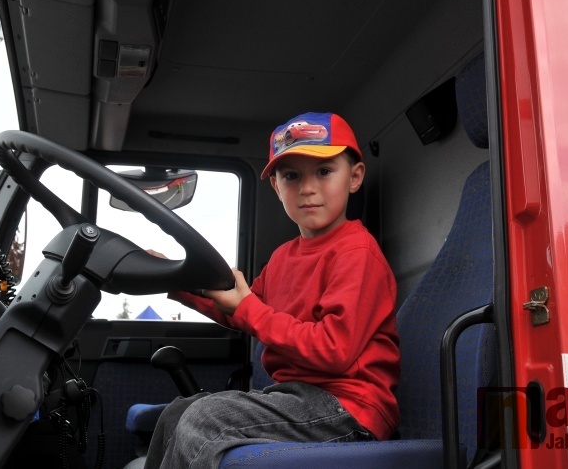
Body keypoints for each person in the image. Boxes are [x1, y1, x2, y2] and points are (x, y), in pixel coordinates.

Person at [144, 112, 400, 468]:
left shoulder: (357, 253)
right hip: (297, 398)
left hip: (349, 408)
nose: (307, 188)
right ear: (277, 188)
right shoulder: (283, 257)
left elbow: (334, 350)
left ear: (354, 178)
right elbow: (241, 309)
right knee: (178, 412)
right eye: (292, 176)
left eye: (324, 171)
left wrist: (246, 307)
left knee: (206, 418)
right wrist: (177, 282)